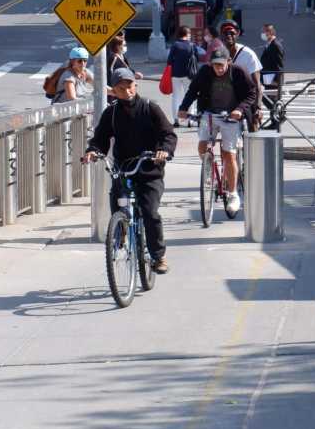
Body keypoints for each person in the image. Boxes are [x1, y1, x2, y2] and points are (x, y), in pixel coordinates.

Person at [83, 68, 177, 273]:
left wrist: (163, 151)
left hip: (149, 170)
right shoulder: (112, 113)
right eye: (121, 88)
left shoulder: (150, 108)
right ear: (114, 91)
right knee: (117, 201)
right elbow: (100, 138)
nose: (127, 91)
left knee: (150, 212)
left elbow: (168, 134)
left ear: (136, 86)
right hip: (124, 169)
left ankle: (158, 257)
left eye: (130, 86)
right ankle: (120, 230)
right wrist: (93, 151)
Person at [177, 47, 256, 216]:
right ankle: (209, 170)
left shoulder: (239, 72)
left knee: (229, 155)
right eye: (215, 65)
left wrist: (240, 110)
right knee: (202, 146)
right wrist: (183, 108)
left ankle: (233, 194)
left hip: (231, 116)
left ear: (229, 62)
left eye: (221, 65)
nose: (218, 68)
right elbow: (192, 90)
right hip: (209, 113)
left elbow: (251, 93)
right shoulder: (205, 71)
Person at [220, 19, 262, 130]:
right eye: (225, 33)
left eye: (232, 33)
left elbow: (257, 85)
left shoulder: (248, 54)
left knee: (252, 127)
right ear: (221, 35)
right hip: (227, 98)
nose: (229, 36)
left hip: (247, 97)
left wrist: (258, 107)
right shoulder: (219, 53)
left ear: (237, 34)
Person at [166, 26, 200, 126]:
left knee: (176, 97)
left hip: (175, 75)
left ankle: (176, 120)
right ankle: (190, 120)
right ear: (188, 34)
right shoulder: (192, 45)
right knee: (190, 96)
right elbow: (197, 58)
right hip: (189, 75)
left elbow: (169, 61)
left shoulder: (175, 45)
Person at [259, 23, 285, 122]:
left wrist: (277, 81)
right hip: (267, 77)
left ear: (270, 32)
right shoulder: (270, 44)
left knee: (269, 99)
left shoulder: (276, 45)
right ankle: (275, 120)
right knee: (268, 99)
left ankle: (278, 118)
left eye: (264, 31)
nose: (262, 34)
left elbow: (279, 65)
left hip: (272, 79)